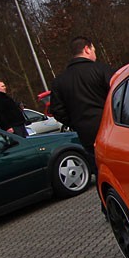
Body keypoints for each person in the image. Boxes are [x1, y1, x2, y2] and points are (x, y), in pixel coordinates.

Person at [50, 36, 113, 168]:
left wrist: (76, 122)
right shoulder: (102, 70)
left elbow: (57, 110)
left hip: (86, 134)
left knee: (100, 168)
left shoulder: (59, 82)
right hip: (111, 127)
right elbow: (119, 95)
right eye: (94, 50)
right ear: (87, 49)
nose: (95, 54)